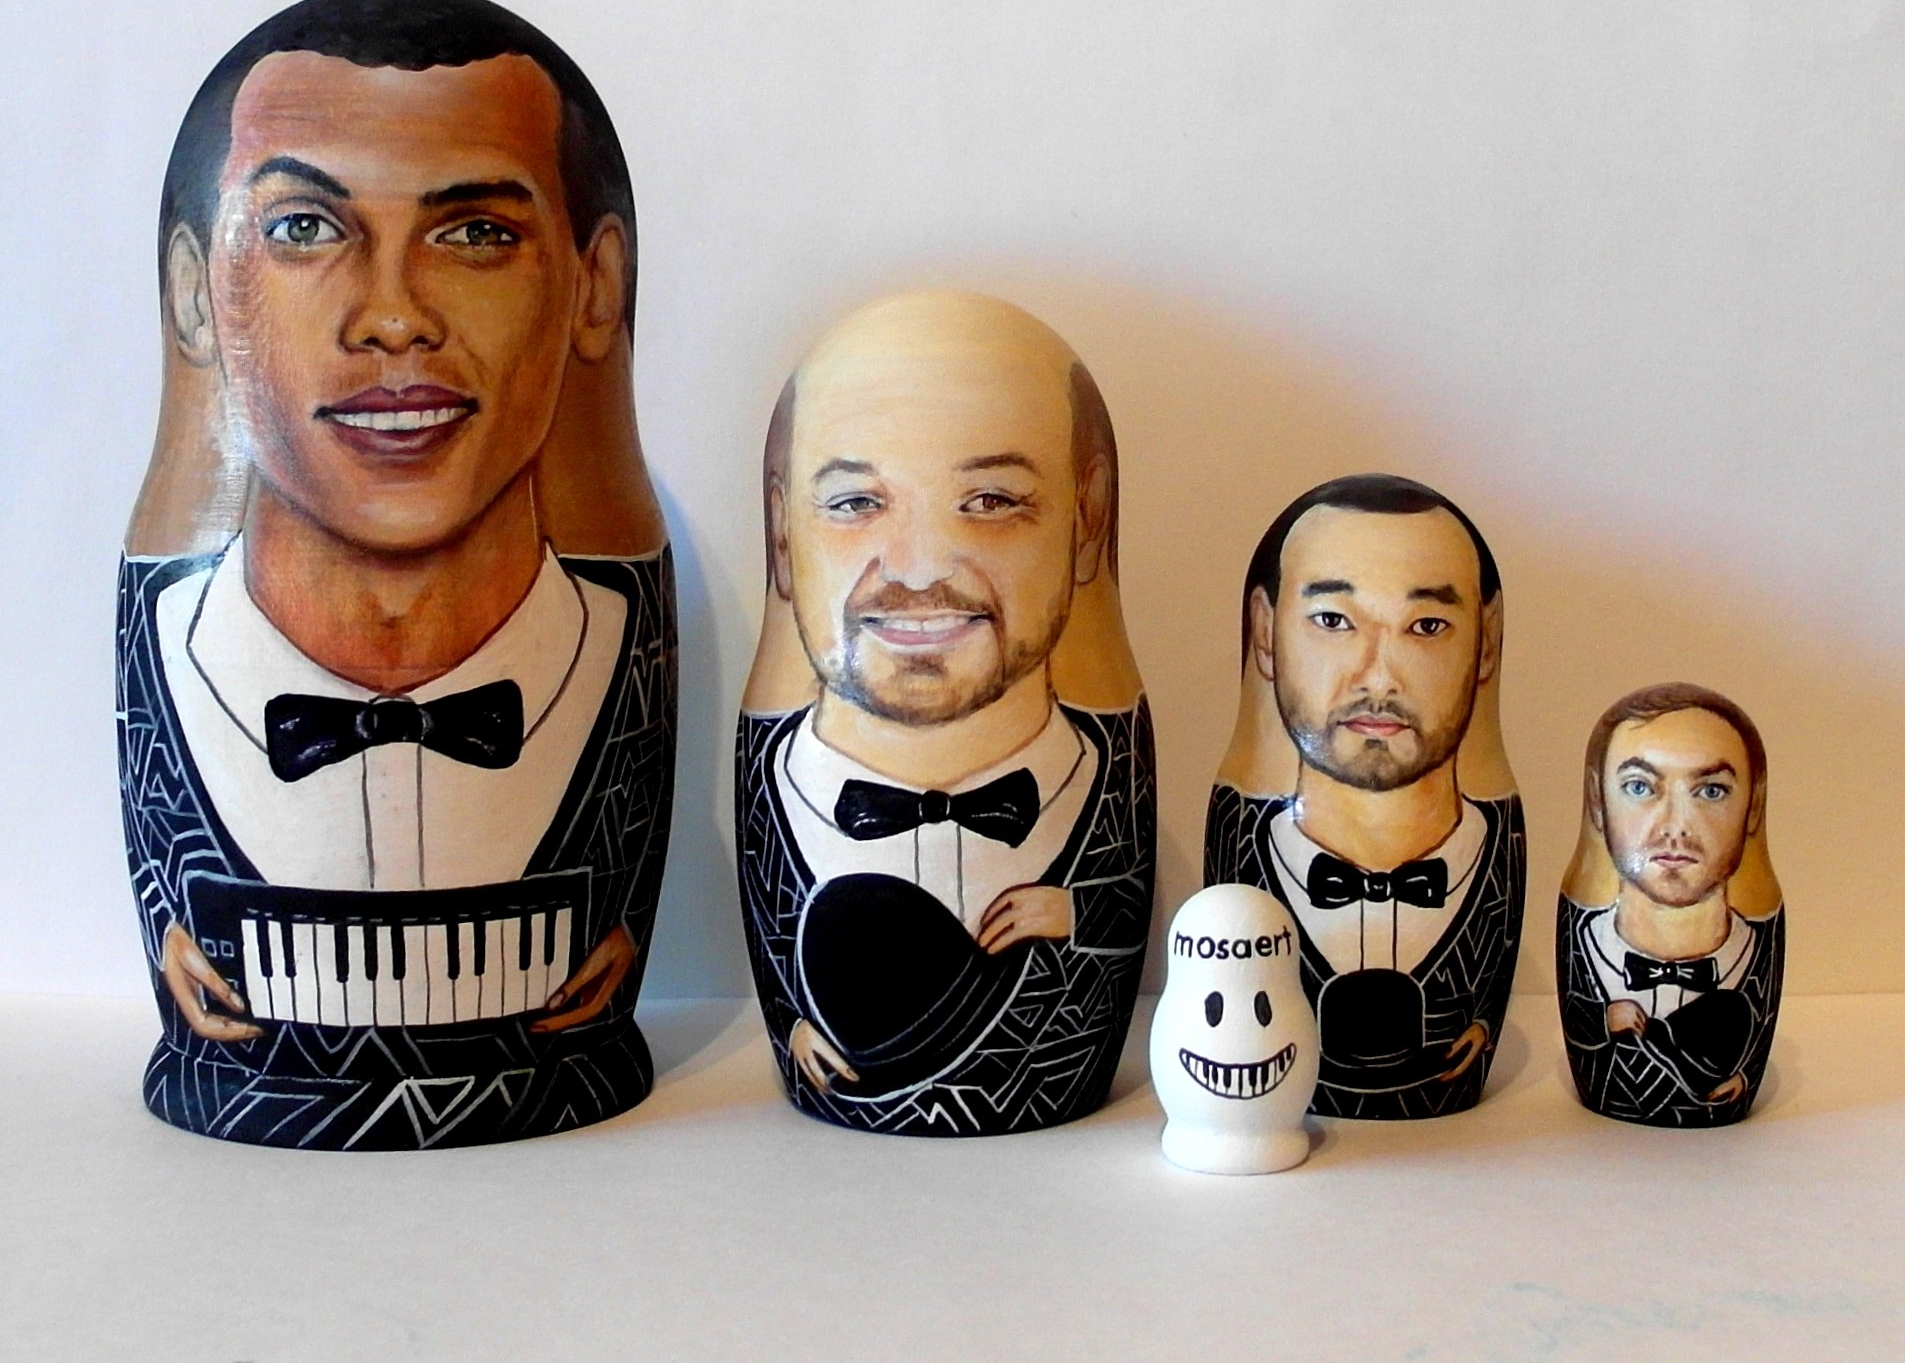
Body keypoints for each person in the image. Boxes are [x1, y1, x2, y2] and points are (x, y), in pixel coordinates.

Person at [119, 0, 676, 1149]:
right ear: (192, 295)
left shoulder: (624, 651)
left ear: (595, 287)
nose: (391, 318)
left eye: (474, 233)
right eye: (303, 229)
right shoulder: (163, 654)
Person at [736, 293, 1153, 1135]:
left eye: (990, 501)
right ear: (781, 533)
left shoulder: (1111, 788)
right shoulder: (771, 793)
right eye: (855, 504)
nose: (920, 570)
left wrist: (1081, 914)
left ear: (1087, 520)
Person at [1204, 474, 1524, 1119]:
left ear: (1486, 642)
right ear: (1265, 632)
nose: (1378, 677)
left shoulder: (1503, 846)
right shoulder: (1237, 838)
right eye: (1332, 620)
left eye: (1427, 625)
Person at [1557, 685, 1783, 1127]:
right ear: (1598, 802)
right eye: (1640, 787)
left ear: (1753, 806)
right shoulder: (1581, 940)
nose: (1675, 827)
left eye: (1711, 791)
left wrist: (1739, 1074)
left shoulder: (1759, 949)